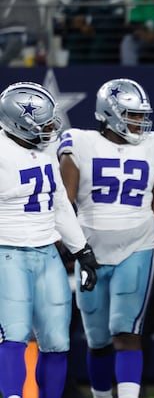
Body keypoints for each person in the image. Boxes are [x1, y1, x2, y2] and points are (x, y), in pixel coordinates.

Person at [57, 78, 154, 398]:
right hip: (89, 250)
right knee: (97, 340)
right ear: (109, 113)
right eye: (132, 115)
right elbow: (63, 204)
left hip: (137, 247)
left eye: (140, 115)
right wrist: (73, 249)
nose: (139, 122)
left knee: (127, 332)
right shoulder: (78, 142)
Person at [0, 82, 99, 398]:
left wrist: (81, 249)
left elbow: (58, 203)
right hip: (8, 253)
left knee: (57, 342)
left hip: (47, 254)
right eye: (43, 122)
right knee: (13, 335)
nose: (51, 127)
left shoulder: (44, 151)